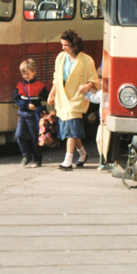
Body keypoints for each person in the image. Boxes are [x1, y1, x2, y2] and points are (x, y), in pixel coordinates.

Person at [51, 29, 96, 170]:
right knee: (71, 129)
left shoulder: (86, 60)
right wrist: (52, 94)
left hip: (76, 98)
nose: (63, 48)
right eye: (62, 45)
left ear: (74, 45)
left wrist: (87, 86)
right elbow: (56, 78)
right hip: (63, 98)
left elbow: (93, 80)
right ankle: (82, 153)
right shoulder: (60, 57)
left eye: (66, 45)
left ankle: (68, 160)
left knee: (70, 130)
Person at [13, 58, 48, 167]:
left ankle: (37, 160)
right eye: (23, 74)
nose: (25, 76)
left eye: (28, 74)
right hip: (22, 114)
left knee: (35, 137)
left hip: (34, 115)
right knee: (19, 135)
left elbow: (47, 97)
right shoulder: (19, 85)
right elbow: (16, 99)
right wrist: (26, 105)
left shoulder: (40, 86)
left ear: (34, 72)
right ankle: (26, 155)